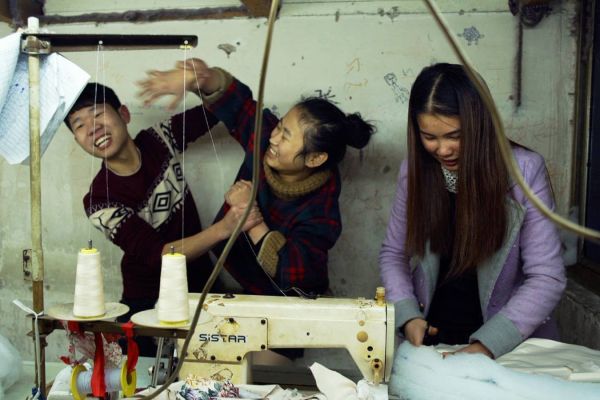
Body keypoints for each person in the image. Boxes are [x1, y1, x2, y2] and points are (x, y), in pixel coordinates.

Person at [138, 58, 375, 297]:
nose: (273, 139)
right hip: (249, 286)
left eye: (285, 136)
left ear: (315, 159)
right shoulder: (264, 138)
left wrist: (248, 213)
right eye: (280, 126)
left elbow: (292, 271)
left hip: (293, 300)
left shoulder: (321, 210)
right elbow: (239, 105)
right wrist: (202, 78)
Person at [378, 63, 566, 359]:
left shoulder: (524, 171)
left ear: (480, 125)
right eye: (430, 137)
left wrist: (484, 347)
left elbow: (547, 276)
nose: (443, 150)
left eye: (455, 135)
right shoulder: (414, 172)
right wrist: (408, 315)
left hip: (506, 347)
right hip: (432, 344)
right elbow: (393, 254)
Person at [65, 83, 261, 355]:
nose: (92, 128)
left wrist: (200, 79)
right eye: (79, 125)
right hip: (146, 302)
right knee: (147, 375)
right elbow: (160, 255)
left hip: (201, 287)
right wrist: (224, 228)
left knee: (212, 368)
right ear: (77, 141)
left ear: (124, 114)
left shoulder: (158, 139)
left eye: (98, 114)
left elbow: (228, 102)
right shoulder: (99, 200)